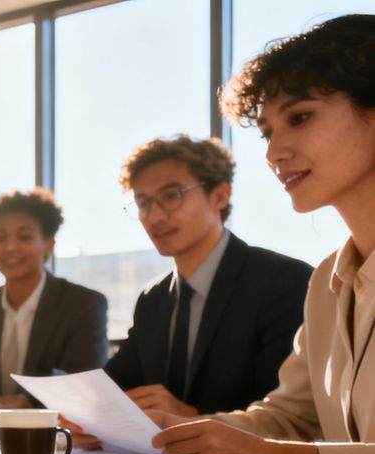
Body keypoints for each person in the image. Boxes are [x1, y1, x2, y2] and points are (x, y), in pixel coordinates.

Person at [151, 13, 375, 454]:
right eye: (267, 132)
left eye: (300, 118)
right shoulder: (327, 281)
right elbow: (290, 418)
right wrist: (171, 432)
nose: (274, 153)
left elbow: (284, 451)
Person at [102, 135, 312, 418]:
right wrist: (85, 413)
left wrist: (193, 418)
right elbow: (116, 385)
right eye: (143, 203)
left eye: (171, 196)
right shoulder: (153, 298)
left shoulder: (284, 283)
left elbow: (289, 415)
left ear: (219, 195)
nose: (154, 217)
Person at [0, 188, 108, 409]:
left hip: (53, 427)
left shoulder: (84, 305)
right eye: (0, 238)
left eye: (25, 236)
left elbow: (84, 385)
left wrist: (24, 403)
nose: (10, 247)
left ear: (48, 243)